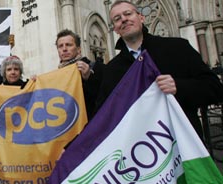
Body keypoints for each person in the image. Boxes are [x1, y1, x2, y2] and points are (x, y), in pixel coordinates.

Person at [98, 0, 223, 139]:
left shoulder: (177, 48)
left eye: (128, 14)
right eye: (117, 19)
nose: (124, 19)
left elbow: (215, 88)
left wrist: (178, 86)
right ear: (114, 28)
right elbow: (102, 116)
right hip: (143, 151)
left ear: (141, 17)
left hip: (184, 145)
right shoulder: (111, 70)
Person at [55, 29, 104, 120]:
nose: (64, 49)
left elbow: (104, 98)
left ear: (78, 49)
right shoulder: (56, 76)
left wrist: (89, 78)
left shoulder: (96, 68)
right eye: (60, 46)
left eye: (69, 45)